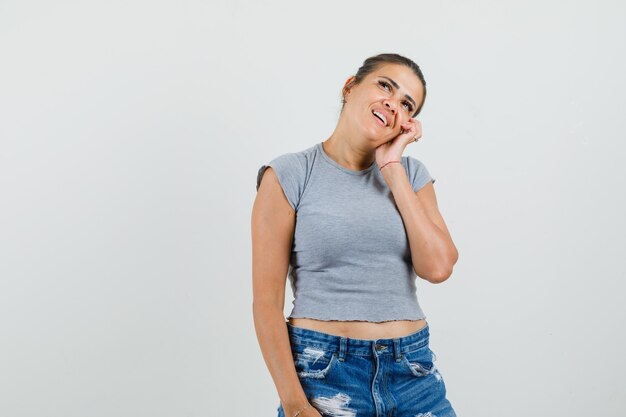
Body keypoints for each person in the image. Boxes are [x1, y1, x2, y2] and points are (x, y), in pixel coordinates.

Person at [251, 53, 459, 417]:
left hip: (413, 372)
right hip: (324, 376)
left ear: (408, 123)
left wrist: (392, 168)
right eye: (385, 86)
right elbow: (266, 304)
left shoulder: (411, 175)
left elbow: (438, 267)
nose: (392, 104)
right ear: (350, 87)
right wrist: (296, 405)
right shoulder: (289, 174)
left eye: (406, 104)